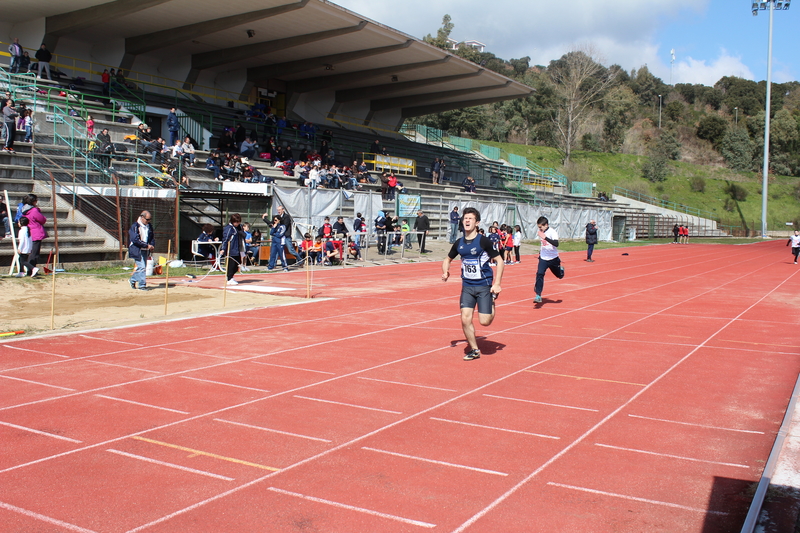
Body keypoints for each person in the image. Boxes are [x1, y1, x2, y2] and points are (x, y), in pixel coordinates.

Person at [441, 207, 504, 361]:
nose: (467, 220)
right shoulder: (459, 243)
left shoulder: (483, 241)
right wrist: (445, 271)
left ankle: (492, 300)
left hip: (484, 286)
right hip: (467, 286)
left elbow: (500, 261)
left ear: (477, 223)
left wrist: (497, 283)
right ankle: (474, 350)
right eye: (465, 218)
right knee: (465, 318)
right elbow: (447, 259)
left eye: (471, 218)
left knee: (485, 322)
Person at [534, 216, 564, 304]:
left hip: (553, 258)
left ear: (546, 225)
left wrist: (545, 237)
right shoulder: (541, 232)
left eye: (541, 227)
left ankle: (561, 271)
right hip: (543, 258)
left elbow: (556, 244)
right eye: (538, 227)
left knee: (559, 276)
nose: (539, 229)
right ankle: (538, 295)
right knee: (540, 274)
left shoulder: (552, 232)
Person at [128, 211, 154, 290]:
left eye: (149, 220)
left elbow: (151, 237)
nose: (148, 221)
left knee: (142, 268)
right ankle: (142, 285)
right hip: (136, 249)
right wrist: (146, 245)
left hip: (145, 250)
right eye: (147, 219)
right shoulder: (135, 226)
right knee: (142, 267)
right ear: (142, 217)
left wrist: (152, 245)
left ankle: (132, 280)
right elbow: (135, 240)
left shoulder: (149, 226)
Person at [221, 213, 244, 284]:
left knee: (237, 264)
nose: (237, 223)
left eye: (238, 222)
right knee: (231, 265)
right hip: (231, 249)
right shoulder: (229, 228)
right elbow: (225, 239)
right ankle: (229, 278)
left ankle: (231, 276)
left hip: (237, 248)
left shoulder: (238, 227)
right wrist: (223, 249)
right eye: (236, 222)